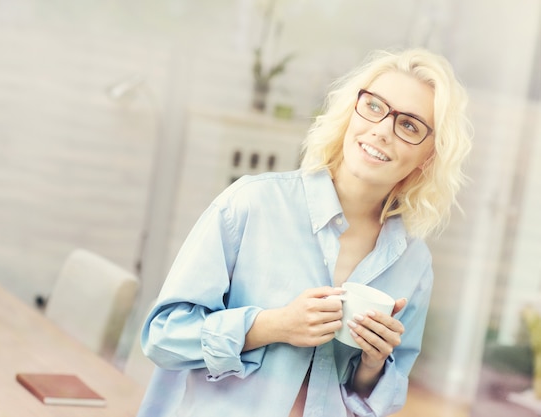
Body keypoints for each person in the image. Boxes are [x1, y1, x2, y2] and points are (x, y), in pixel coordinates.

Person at [136, 48, 473, 417]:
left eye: (409, 125)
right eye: (375, 107)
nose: (382, 130)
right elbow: (163, 338)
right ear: (351, 112)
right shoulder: (252, 204)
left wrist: (372, 366)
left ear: (429, 155)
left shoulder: (413, 262)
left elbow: (383, 398)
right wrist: (272, 326)